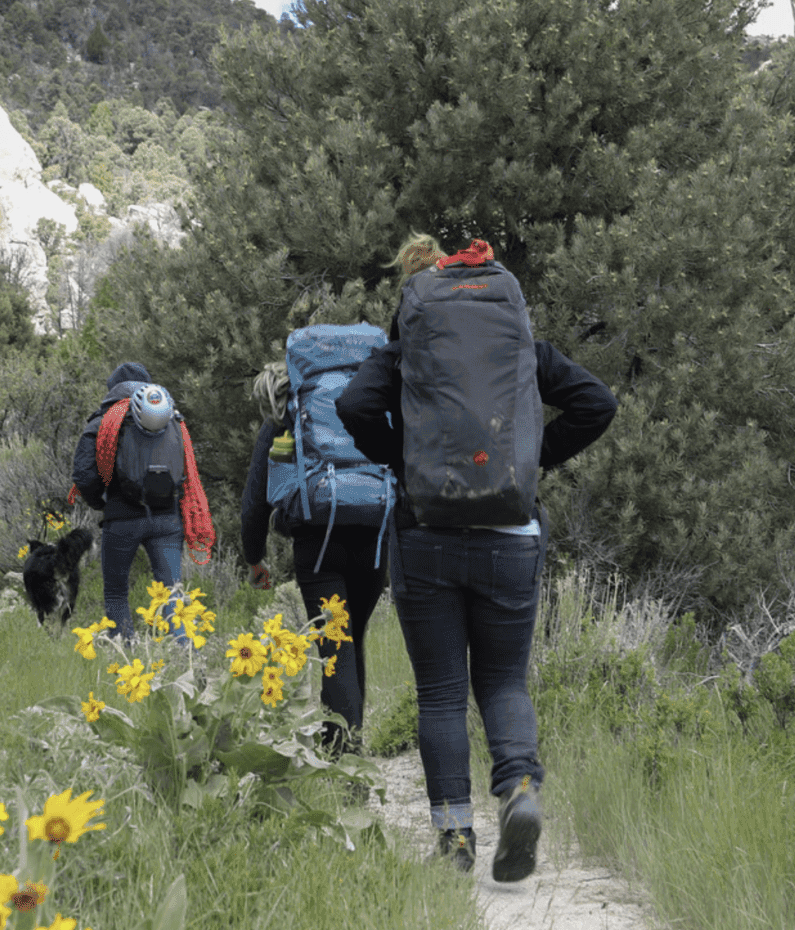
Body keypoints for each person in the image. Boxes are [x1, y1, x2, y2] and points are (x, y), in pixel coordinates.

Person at [336, 234, 616, 881]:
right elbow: (598, 403)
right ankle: (519, 789)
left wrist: (397, 458)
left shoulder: (406, 349)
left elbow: (352, 404)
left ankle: (455, 839)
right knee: (503, 681)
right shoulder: (523, 349)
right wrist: (531, 458)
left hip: (425, 530)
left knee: (440, 694)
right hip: (511, 534)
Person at [239, 360, 386, 750]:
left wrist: (254, 558)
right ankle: (351, 743)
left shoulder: (286, 415)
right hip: (374, 533)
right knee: (350, 637)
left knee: (335, 642)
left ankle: (342, 755)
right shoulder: (368, 400)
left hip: (320, 541)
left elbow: (255, 498)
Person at [73, 362, 185, 636]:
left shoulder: (103, 422)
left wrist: (101, 503)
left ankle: (126, 660)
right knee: (173, 594)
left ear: (113, 389)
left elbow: (84, 475)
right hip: (167, 518)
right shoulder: (170, 419)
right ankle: (186, 661)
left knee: (116, 594)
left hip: (121, 519)